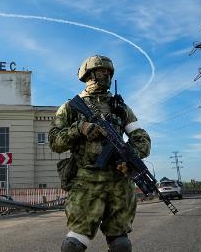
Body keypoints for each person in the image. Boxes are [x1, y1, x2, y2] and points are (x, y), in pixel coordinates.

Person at [48, 55, 151, 252]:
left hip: (119, 182)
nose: (106, 76)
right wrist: (79, 128)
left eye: (109, 73)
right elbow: (54, 142)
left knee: (121, 244)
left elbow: (142, 139)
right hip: (86, 181)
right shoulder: (70, 107)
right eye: (102, 71)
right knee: (74, 245)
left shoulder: (120, 108)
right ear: (89, 74)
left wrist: (129, 156)